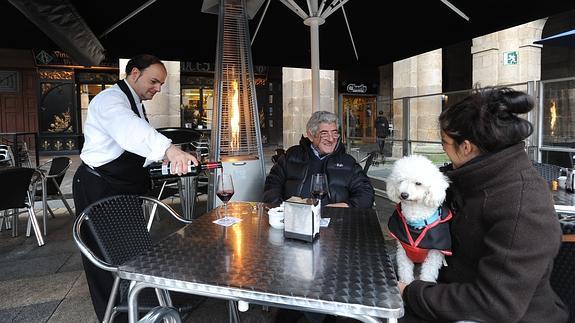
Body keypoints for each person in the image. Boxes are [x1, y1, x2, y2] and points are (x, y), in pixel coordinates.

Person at [399, 87, 568, 322]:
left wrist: (410, 292)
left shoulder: (523, 207)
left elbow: (494, 305)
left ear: (466, 147)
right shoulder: (470, 180)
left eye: (444, 143)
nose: (443, 150)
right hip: (448, 295)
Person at [72, 54, 199, 321]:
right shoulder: (110, 101)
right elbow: (129, 129)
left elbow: (133, 145)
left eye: (161, 84)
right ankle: (114, 316)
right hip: (98, 187)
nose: (158, 88)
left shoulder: (135, 102)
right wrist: (169, 149)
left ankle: (142, 307)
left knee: (134, 254)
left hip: (121, 188)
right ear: (133, 73)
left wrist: (160, 161)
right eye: (154, 81)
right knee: (106, 258)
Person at [263, 110, 374, 209]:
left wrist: (341, 207)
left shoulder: (348, 162)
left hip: (334, 224)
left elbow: (366, 194)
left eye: (335, 133)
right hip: (294, 221)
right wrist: (281, 210)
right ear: (311, 135)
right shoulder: (292, 156)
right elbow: (272, 186)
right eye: (324, 134)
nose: (331, 139)